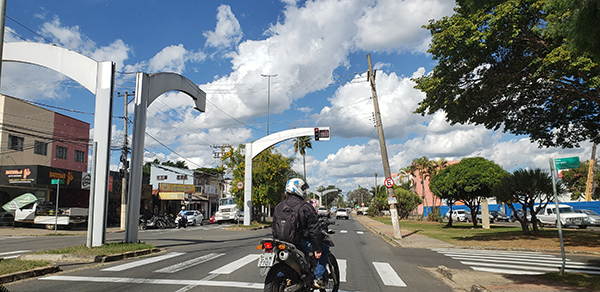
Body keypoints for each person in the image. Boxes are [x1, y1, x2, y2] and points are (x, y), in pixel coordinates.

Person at [272, 178, 330, 289]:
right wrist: (318, 249)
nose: (304, 191)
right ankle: (318, 278)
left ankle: (280, 276)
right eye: (303, 188)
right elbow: (314, 230)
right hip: (300, 243)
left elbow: (274, 228)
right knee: (325, 248)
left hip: (281, 242)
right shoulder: (305, 207)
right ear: (296, 188)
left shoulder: (279, 206)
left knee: (281, 261)